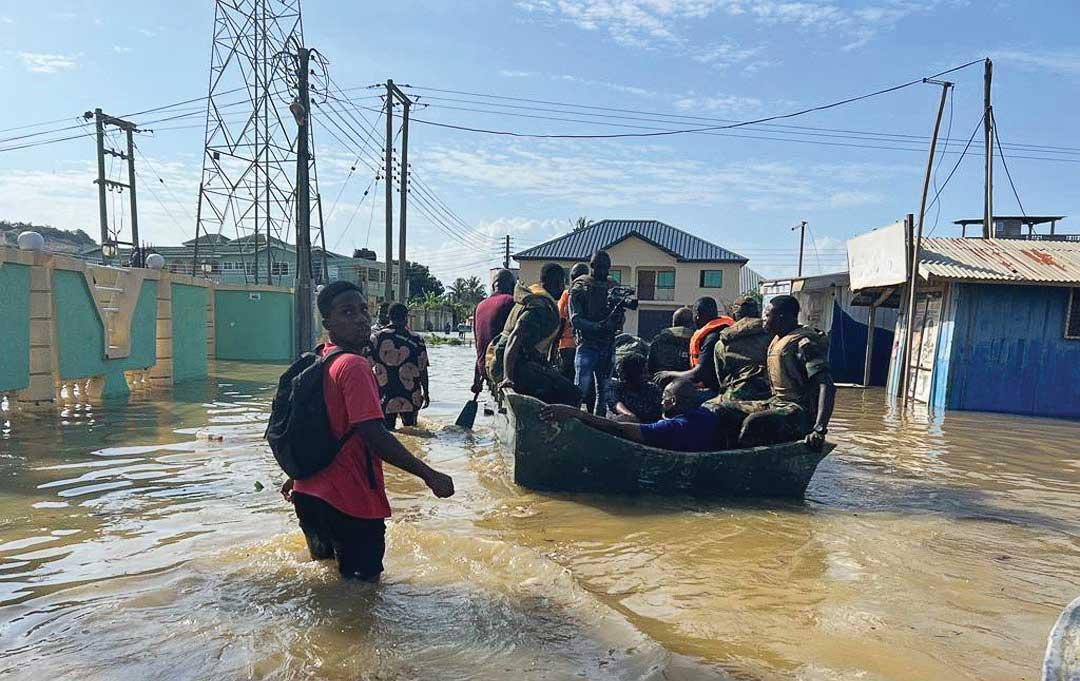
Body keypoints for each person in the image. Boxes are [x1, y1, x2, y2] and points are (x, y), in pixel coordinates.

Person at [281, 281, 454, 582]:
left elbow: (318, 425)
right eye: (347, 312)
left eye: (363, 310)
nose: (361, 319)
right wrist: (430, 475)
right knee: (363, 597)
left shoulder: (320, 358)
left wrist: (296, 475)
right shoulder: (354, 367)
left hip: (308, 497)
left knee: (327, 588)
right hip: (349, 503)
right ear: (328, 323)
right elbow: (374, 435)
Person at [706, 295, 836, 450]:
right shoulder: (776, 339)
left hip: (798, 411)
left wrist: (819, 429)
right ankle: (723, 452)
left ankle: (744, 461)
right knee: (720, 410)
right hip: (776, 403)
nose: (763, 320)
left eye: (767, 315)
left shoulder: (804, 343)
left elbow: (826, 385)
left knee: (753, 422)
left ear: (781, 317)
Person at [541, 378, 720, 452]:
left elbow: (617, 428)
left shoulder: (672, 427)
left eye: (664, 397)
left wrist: (573, 412)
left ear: (672, 402)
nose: (660, 401)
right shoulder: (707, 414)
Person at [490, 263, 580, 406]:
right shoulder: (540, 307)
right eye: (562, 283)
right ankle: (555, 426)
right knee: (573, 393)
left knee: (555, 378)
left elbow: (526, 342)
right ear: (557, 282)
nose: (563, 288)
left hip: (504, 362)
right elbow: (515, 336)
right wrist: (508, 377)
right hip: (511, 367)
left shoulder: (531, 294)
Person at [568, 250, 620, 415]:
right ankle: (573, 419)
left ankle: (600, 423)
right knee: (580, 389)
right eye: (600, 267)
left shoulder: (613, 286)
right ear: (592, 266)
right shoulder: (580, 287)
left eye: (606, 267)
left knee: (603, 392)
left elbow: (620, 318)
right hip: (587, 345)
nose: (603, 271)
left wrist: (616, 317)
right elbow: (575, 319)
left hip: (607, 344)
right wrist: (597, 326)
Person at [653, 297, 733, 398]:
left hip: (716, 391)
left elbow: (698, 374)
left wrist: (668, 374)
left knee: (679, 400)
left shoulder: (712, 338)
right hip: (725, 385)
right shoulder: (724, 330)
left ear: (697, 316)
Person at [370, 303, 429, 430]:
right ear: (406, 318)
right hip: (410, 393)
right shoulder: (417, 339)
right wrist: (426, 392)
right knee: (412, 430)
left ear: (388, 316)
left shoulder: (376, 337)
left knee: (387, 431)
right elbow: (423, 369)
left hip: (385, 392)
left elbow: (367, 366)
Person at [714, 296, 772, 401]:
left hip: (735, 396)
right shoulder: (773, 335)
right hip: (768, 395)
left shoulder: (721, 343)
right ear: (758, 314)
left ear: (734, 316)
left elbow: (721, 377)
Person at [471, 269, 516, 395]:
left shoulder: (479, 306)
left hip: (484, 368)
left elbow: (479, 343)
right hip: (498, 368)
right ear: (513, 286)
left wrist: (477, 378)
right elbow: (514, 340)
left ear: (493, 287)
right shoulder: (510, 302)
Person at [556, 263, 590, 382]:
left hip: (567, 346)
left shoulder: (568, 294)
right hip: (587, 346)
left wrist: (554, 344)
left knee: (566, 381)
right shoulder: (592, 294)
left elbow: (560, 320)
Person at [607, 352, 663, 424]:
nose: (647, 376)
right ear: (632, 374)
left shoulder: (653, 389)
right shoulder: (616, 387)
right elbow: (616, 404)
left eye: (646, 372)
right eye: (643, 372)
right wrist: (632, 417)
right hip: (628, 426)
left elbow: (662, 411)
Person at [647, 307, 694, 375]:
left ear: (673, 323)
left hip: (660, 381)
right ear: (692, 323)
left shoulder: (658, 340)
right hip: (689, 382)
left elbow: (650, 367)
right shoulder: (696, 340)